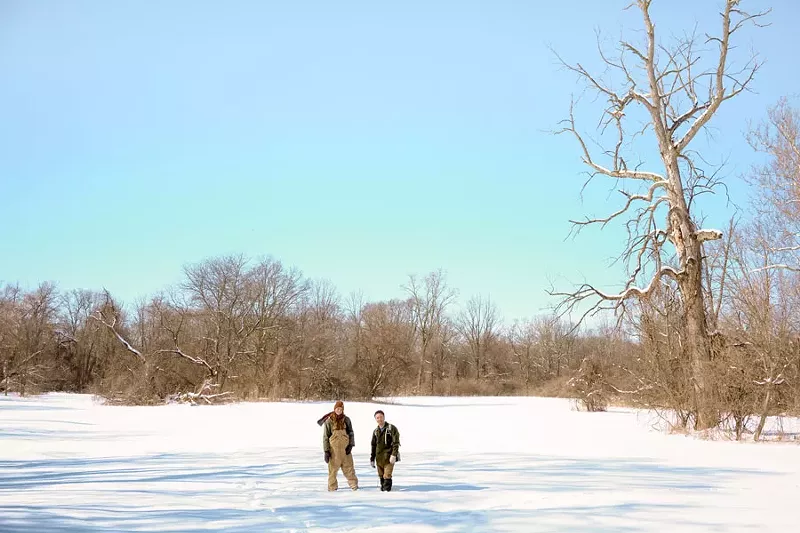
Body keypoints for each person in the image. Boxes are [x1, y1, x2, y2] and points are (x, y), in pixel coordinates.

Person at [321, 400, 358, 491]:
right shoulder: (329, 421)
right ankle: (332, 487)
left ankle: (354, 485)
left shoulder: (346, 419)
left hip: (346, 450)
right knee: (333, 470)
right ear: (334, 409)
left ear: (343, 410)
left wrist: (351, 445)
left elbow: (351, 433)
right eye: (337, 408)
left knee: (349, 469)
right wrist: (326, 451)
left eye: (340, 409)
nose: (339, 410)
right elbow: (326, 437)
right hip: (334, 451)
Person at [370, 409, 400, 492]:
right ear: (375, 419)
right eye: (377, 417)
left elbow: (396, 442)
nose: (379, 419)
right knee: (381, 476)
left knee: (387, 475)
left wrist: (394, 455)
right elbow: (373, 445)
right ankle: (383, 490)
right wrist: (372, 458)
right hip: (379, 458)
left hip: (389, 458)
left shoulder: (391, 428)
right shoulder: (375, 431)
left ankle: (387, 492)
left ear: (384, 417)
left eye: (381, 417)